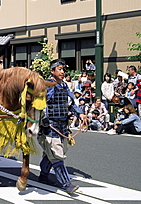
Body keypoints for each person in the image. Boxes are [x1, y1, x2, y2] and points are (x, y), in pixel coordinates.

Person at [37, 59, 88, 194]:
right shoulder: (46, 85)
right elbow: (40, 103)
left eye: (63, 69)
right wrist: (43, 119)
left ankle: (43, 176)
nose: (62, 72)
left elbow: (71, 102)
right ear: (52, 71)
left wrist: (81, 114)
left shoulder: (65, 86)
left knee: (57, 152)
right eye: (59, 69)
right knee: (56, 154)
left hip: (63, 124)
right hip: (49, 125)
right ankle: (66, 184)